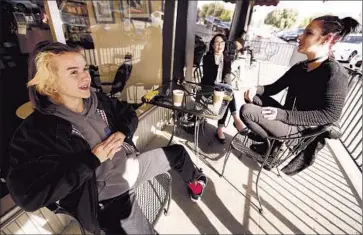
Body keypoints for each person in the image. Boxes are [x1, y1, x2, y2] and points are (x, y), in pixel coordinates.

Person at [6, 41, 207, 234]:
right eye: (73, 72)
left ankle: (196, 184)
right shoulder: (35, 133)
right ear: (49, 85)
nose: (85, 77)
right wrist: (91, 160)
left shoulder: (97, 100)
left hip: (130, 165)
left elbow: (128, 113)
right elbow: (28, 197)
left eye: (84, 69)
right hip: (108, 196)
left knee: (178, 153)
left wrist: (123, 132)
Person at [240, 15, 360, 174]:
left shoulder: (335, 73)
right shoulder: (301, 67)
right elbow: (274, 88)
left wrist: (282, 115)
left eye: (308, 33)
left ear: (327, 38)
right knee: (254, 97)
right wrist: (256, 89)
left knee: (246, 111)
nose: (299, 36)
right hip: (288, 118)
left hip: (301, 130)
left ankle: (270, 144)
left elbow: (331, 114)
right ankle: (272, 145)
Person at [202, 34, 245, 143]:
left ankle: (225, 125)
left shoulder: (227, 58)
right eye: (217, 42)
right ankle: (233, 120)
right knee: (226, 94)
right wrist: (217, 62)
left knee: (228, 93)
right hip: (209, 87)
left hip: (222, 89)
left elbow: (227, 75)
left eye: (222, 43)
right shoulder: (207, 58)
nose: (219, 45)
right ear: (212, 45)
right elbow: (208, 76)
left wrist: (227, 84)